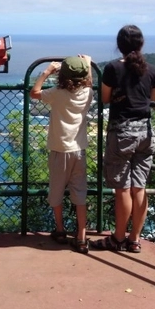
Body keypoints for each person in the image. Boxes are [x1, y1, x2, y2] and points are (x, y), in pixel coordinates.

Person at [92, 25, 155, 253]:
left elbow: (105, 99)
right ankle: (135, 239)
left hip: (122, 132)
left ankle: (118, 238)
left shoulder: (112, 68)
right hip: (146, 132)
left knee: (123, 188)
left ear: (119, 45)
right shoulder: (150, 70)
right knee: (139, 187)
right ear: (141, 44)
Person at [29, 55, 94, 254]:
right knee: (80, 192)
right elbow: (89, 82)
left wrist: (46, 72)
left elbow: (34, 93)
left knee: (56, 191)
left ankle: (60, 229)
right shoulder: (87, 93)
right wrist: (88, 65)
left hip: (59, 150)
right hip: (79, 150)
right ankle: (82, 236)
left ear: (63, 74)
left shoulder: (56, 93)